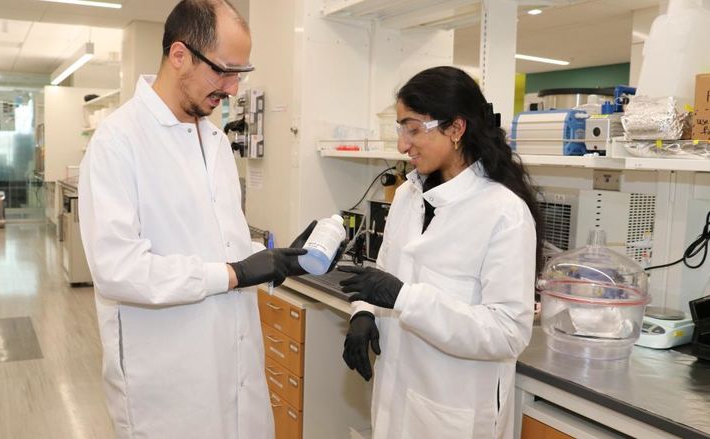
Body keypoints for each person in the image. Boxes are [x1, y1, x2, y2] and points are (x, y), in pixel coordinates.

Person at [78, 1, 314, 437]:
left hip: (236, 369)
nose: (232, 89)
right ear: (180, 55)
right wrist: (232, 273)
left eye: (241, 74)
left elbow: (225, 247)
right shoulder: (118, 141)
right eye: (224, 71)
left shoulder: (218, 142)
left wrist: (274, 260)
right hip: (168, 388)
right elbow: (117, 270)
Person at [339, 66, 544, 439]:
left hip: (453, 412)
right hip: (395, 398)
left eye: (413, 128)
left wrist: (406, 298)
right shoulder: (408, 195)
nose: (402, 144)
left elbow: (507, 332)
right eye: (401, 128)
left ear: (456, 128)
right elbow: (384, 273)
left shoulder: (504, 213)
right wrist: (365, 312)